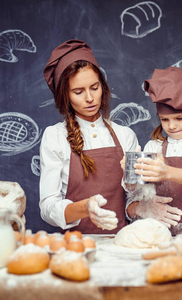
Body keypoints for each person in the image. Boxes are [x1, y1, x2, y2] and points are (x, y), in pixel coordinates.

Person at [39, 39, 139, 233]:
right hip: (75, 246)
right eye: (78, 92)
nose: (90, 98)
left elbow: (136, 196)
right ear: (65, 96)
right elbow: (47, 206)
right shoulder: (55, 137)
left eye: (94, 87)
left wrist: (143, 204)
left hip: (119, 243)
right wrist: (85, 209)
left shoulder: (126, 135)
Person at [126, 67, 182, 234]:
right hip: (160, 230)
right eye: (165, 120)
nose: (172, 126)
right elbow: (134, 189)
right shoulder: (153, 146)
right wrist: (129, 171)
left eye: (179, 118)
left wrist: (166, 172)